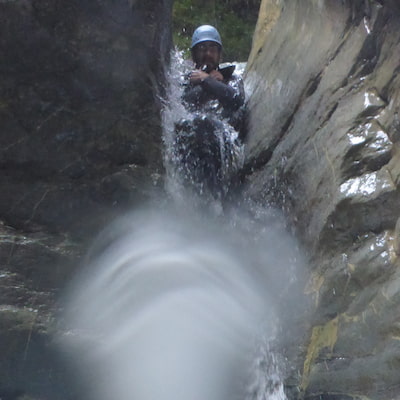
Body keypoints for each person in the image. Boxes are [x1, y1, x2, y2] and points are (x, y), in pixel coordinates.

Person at [175, 25, 246, 197]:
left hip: (225, 145)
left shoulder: (231, 78)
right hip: (194, 146)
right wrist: (206, 83)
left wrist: (208, 81)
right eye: (202, 49)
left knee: (208, 126)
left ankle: (218, 201)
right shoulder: (185, 81)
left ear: (219, 54)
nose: (207, 54)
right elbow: (183, 103)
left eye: (212, 49)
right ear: (194, 55)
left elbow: (236, 100)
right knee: (200, 124)